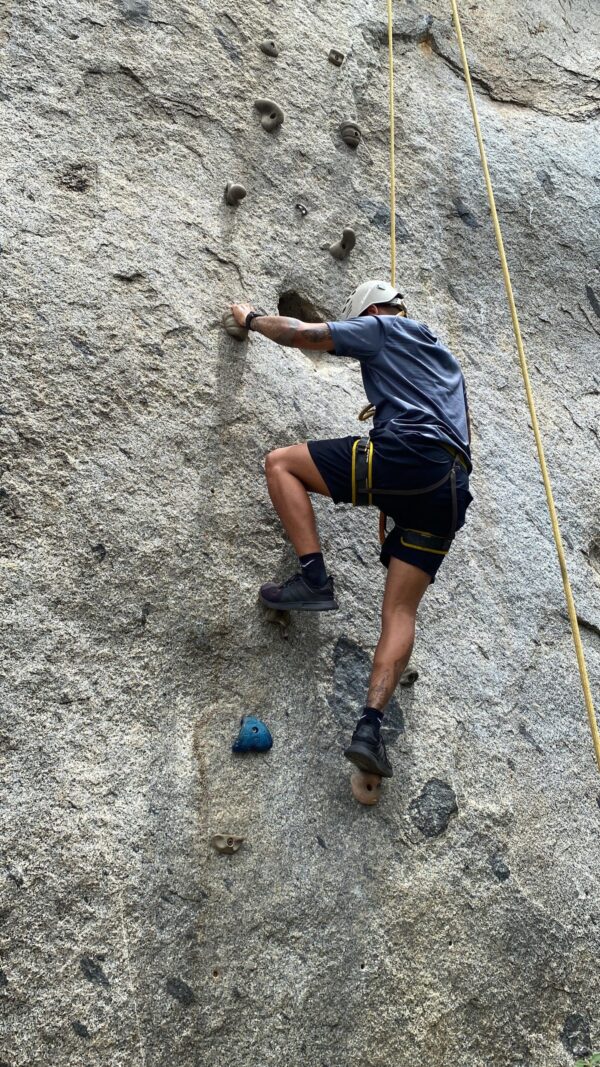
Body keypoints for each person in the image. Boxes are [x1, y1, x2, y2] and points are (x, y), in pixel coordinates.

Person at [229, 280, 473, 780]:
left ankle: (314, 577)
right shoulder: (444, 360)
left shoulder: (383, 326)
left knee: (281, 464)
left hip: (407, 457)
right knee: (401, 611)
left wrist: (250, 318)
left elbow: (301, 333)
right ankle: (370, 728)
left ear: (376, 310)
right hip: (449, 489)